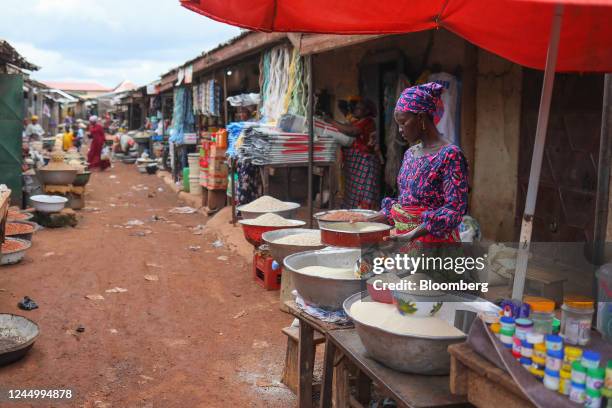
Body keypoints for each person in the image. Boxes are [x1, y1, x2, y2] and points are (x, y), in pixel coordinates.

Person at [375, 82, 469, 244]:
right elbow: (406, 202)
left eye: (403, 123)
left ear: (420, 118)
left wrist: (411, 235)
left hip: (434, 245)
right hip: (404, 240)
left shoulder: (450, 155)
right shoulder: (410, 154)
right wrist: (365, 219)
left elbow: (454, 209)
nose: (400, 130)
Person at [326, 99, 381, 209]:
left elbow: (352, 131)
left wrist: (331, 121)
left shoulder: (368, 122)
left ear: (366, 111)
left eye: (358, 108)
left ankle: (365, 215)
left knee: (364, 192)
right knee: (354, 192)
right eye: (355, 108)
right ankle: (354, 213)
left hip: (365, 163)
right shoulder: (357, 121)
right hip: (356, 164)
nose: (355, 110)